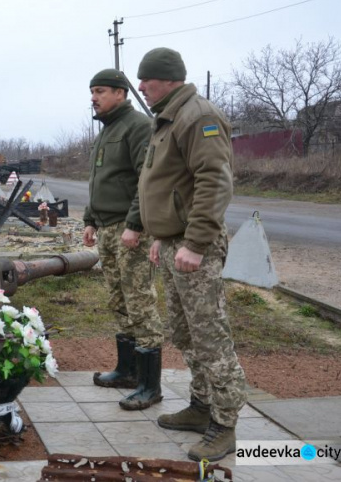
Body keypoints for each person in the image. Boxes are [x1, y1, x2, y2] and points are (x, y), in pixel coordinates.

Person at [136, 48, 247, 462]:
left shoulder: (197, 116)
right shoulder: (166, 118)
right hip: (173, 244)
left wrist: (196, 244)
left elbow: (214, 182)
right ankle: (202, 407)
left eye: (146, 80)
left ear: (167, 79)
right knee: (184, 333)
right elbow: (163, 183)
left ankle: (225, 423)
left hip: (194, 247)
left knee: (210, 336)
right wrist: (159, 235)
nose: (142, 87)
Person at [83, 69, 164, 411]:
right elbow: (100, 180)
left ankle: (150, 386)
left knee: (139, 300)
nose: (94, 97)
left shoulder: (137, 126)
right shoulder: (106, 131)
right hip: (107, 228)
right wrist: (89, 219)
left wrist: (135, 223)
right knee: (119, 298)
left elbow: (147, 181)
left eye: (100, 91)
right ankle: (128, 371)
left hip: (131, 230)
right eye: (92, 92)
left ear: (120, 93)